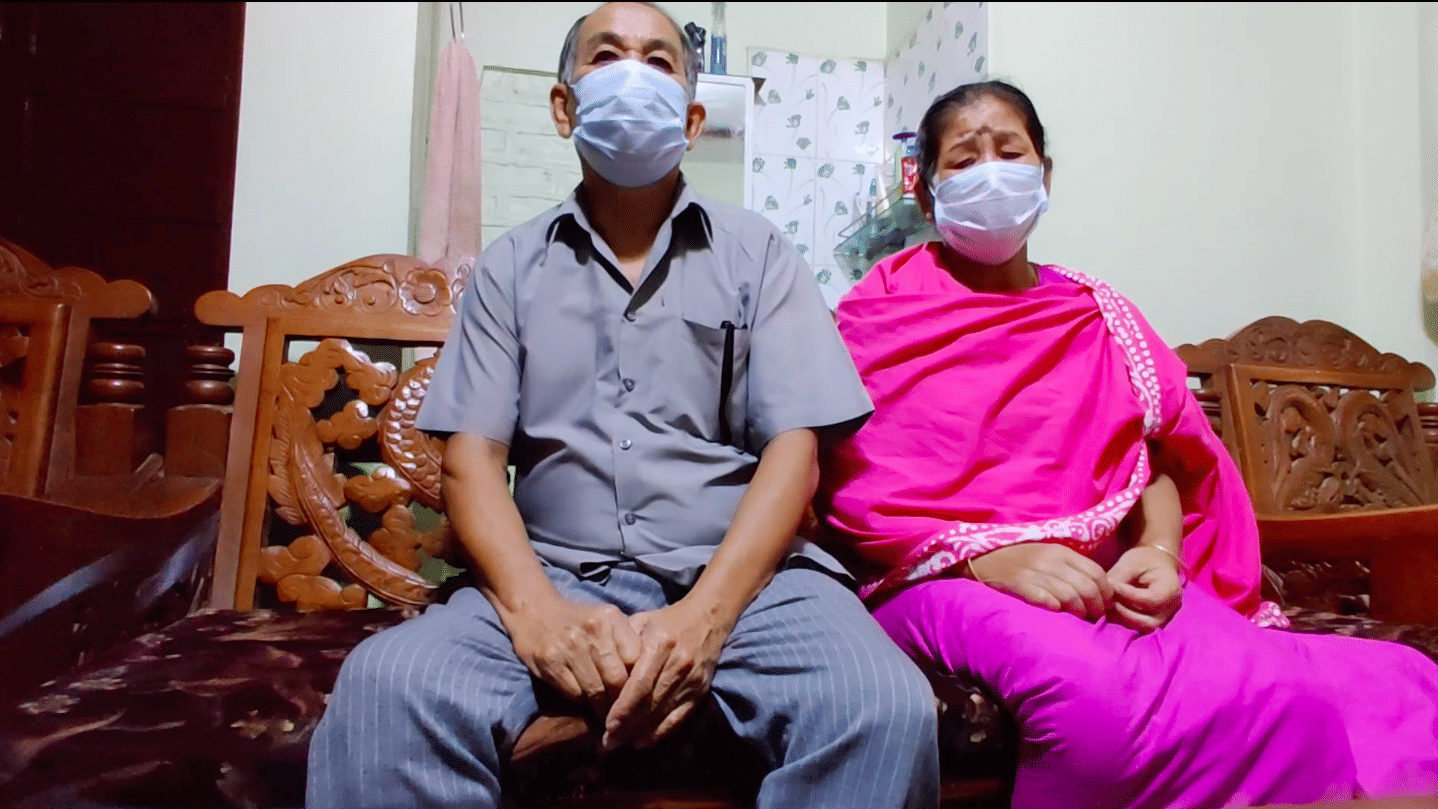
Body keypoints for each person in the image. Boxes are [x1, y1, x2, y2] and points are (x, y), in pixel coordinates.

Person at [305, 3, 940, 808]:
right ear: (563, 105)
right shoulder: (510, 267)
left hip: (748, 582)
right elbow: (470, 463)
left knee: (879, 705)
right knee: (389, 686)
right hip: (554, 568)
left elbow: (795, 452)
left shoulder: (759, 254)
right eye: (607, 56)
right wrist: (534, 613)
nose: (635, 74)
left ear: (693, 112)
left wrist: (707, 617)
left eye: (660, 61)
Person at [819, 79, 1438, 809]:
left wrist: (1159, 552)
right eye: (962, 159)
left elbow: (1155, 464)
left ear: (1044, 175)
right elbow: (847, 489)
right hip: (942, 581)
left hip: (1106, 569)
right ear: (927, 197)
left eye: (1009, 151)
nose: (990, 170)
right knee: (1095, 711)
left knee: (1282, 689)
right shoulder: (875, 320)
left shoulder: (1095, 312)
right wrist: (987, 557)